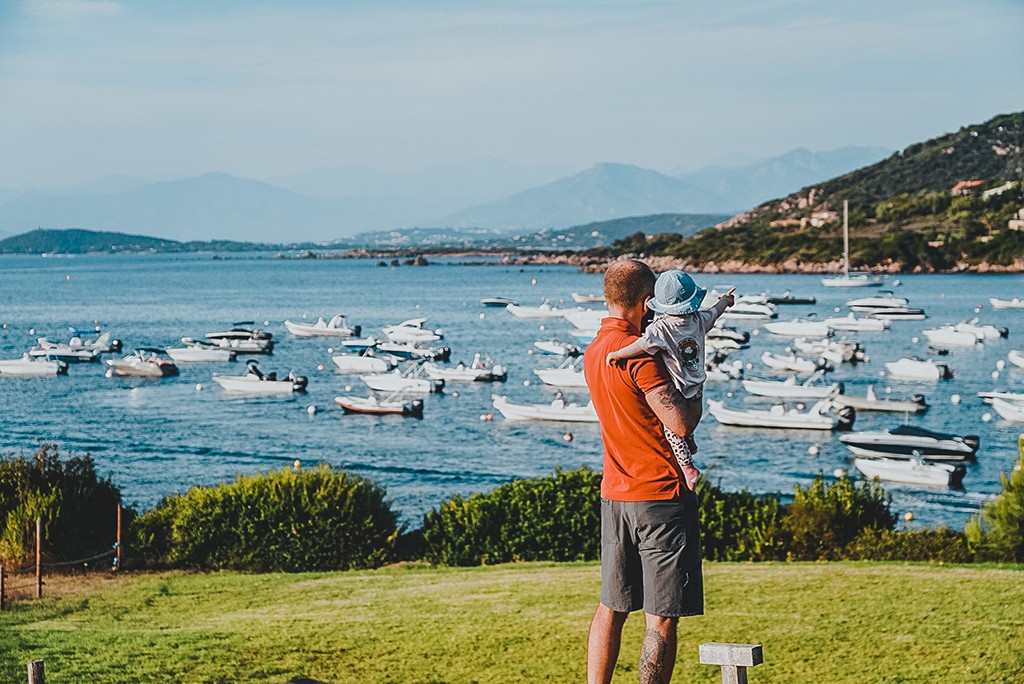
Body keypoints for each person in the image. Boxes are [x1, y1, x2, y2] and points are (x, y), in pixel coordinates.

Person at [583, 260, 705, 684]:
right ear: (643, 302)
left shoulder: (595, 350)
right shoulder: (645, 357)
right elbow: (681, 422)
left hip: (615, 495)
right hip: (661, 499)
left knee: (611, 608)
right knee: (662, 618)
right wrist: (696, 377)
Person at [605, 270, 735, 461]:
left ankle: (686, 464)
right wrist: (726, 300)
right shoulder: (699, 319)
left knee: (673, 430)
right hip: (697, 382)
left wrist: (617, 354)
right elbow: (716, 311)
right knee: (689, 421)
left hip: (678, 384)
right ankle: (691, 441)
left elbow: (640, 346)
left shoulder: (661, 328)